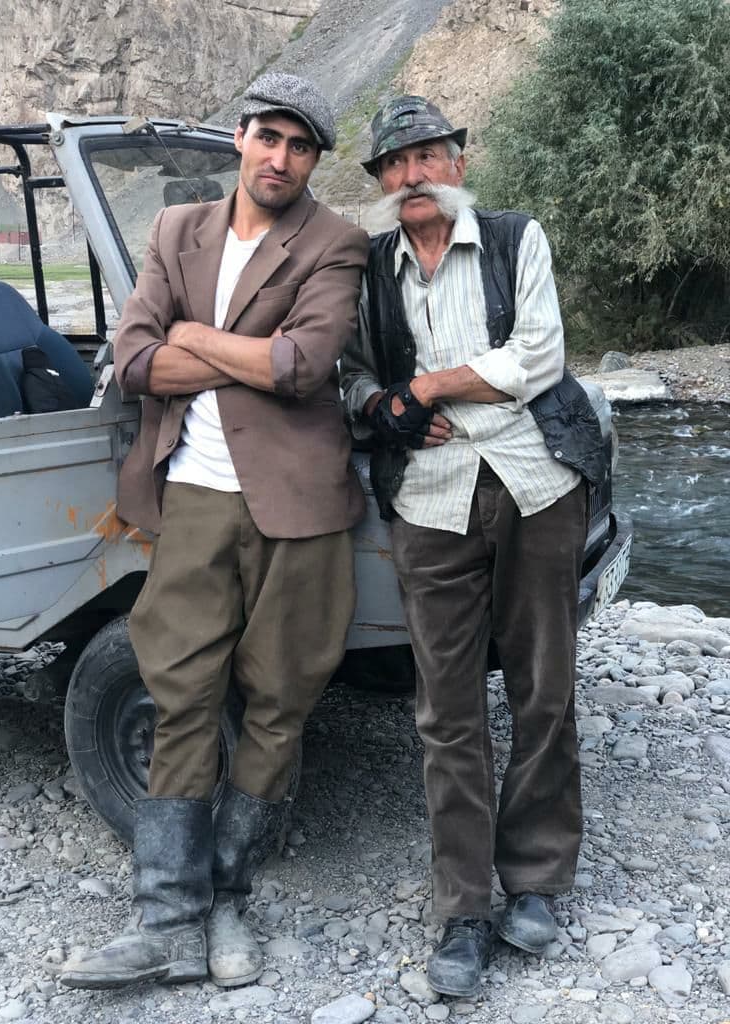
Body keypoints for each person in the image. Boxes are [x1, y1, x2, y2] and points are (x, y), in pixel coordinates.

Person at [61, 72, 369, 991]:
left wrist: (193, 338)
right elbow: (133, 360)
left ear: (313, 161)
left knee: (278, 700)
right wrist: (239, 357)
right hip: (193, 495)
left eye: (300, 146)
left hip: (299, 506)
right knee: (180, 692)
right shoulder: (175, 230)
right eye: (269, 137)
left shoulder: (335, 241)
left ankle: (229, 895)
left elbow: (303, 366)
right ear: (240, 138)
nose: (281, 158)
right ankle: (168, 920)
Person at [340, 95, 607, 999]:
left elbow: (536, 359)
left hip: (537, 485)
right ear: (382, 180)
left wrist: (425, 388)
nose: (412, 175)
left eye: (428, 155)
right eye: (395, 162)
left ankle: (535, 879)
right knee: (445, 707)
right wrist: (383, 406)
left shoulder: (513, 238)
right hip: (428, 500)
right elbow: (352, 377)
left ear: (458, 161)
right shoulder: (371, 267)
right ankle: (462, 906)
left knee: (543, 687)